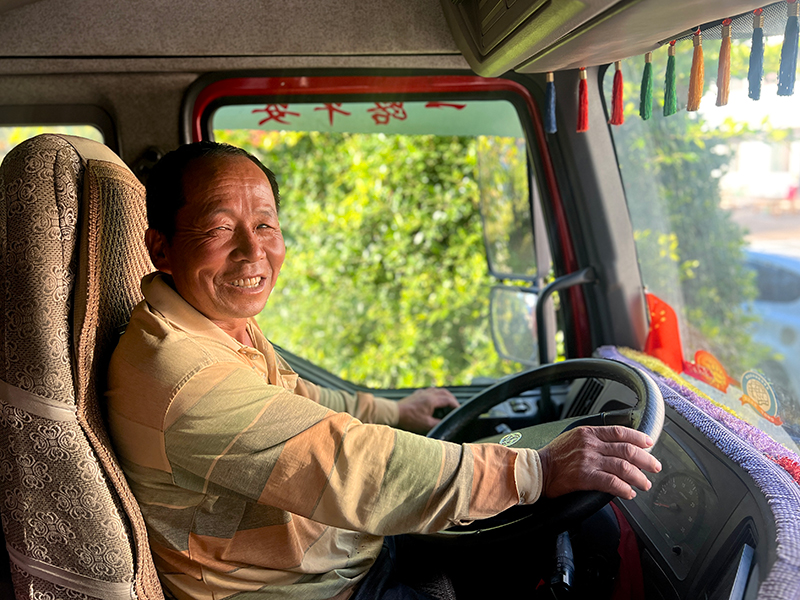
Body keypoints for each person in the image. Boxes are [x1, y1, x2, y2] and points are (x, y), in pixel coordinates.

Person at [106, 141, 661, 600]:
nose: (254, 252)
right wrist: (532, 472)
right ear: (162, 248)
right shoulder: (178, 371)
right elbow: (347, 463)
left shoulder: (206, 323)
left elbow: (302, 402)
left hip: (343, 553)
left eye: (266, 225)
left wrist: (399, 410)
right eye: (221, 229)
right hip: (317, 589)